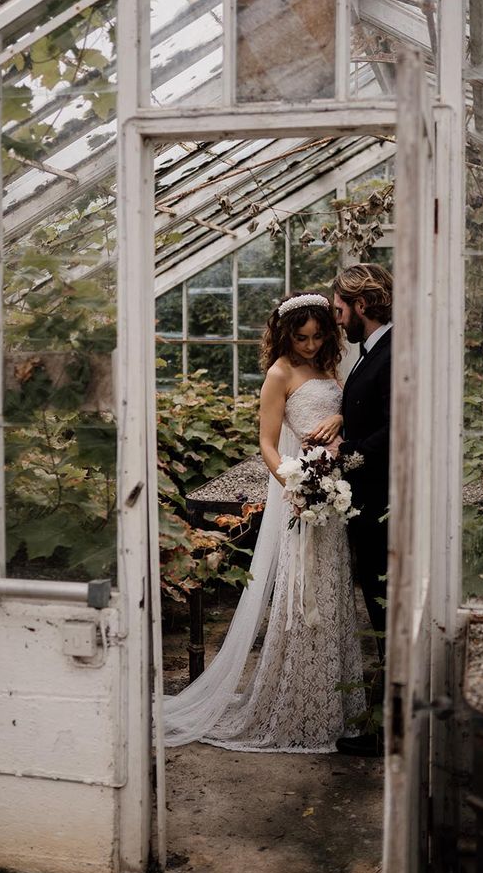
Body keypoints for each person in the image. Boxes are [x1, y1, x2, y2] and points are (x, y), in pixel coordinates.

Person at [163, 292, 366, 752]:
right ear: (285, 334)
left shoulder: (330, 370)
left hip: (333, 500)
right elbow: (267, 442)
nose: (310, 345)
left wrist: (337, 417)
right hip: (302, 498)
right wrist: (293, 484)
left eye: (318, 337)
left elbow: (345, 418)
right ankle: (295, 706)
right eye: (301, 338)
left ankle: (336, 709)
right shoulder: (280, 373)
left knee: (332, 595)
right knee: (303, 595)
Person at [331, 264, 393, 757]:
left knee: (384, 607)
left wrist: (343, 456)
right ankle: (387, 720)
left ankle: (390, 728)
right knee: (376, 605)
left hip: (383, 501)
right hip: (368, 500)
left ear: (362, 307)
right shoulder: (370, 353)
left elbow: (393, 431)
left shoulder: (391, 354)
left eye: (340, 310)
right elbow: (365, 408)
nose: (338, 320)